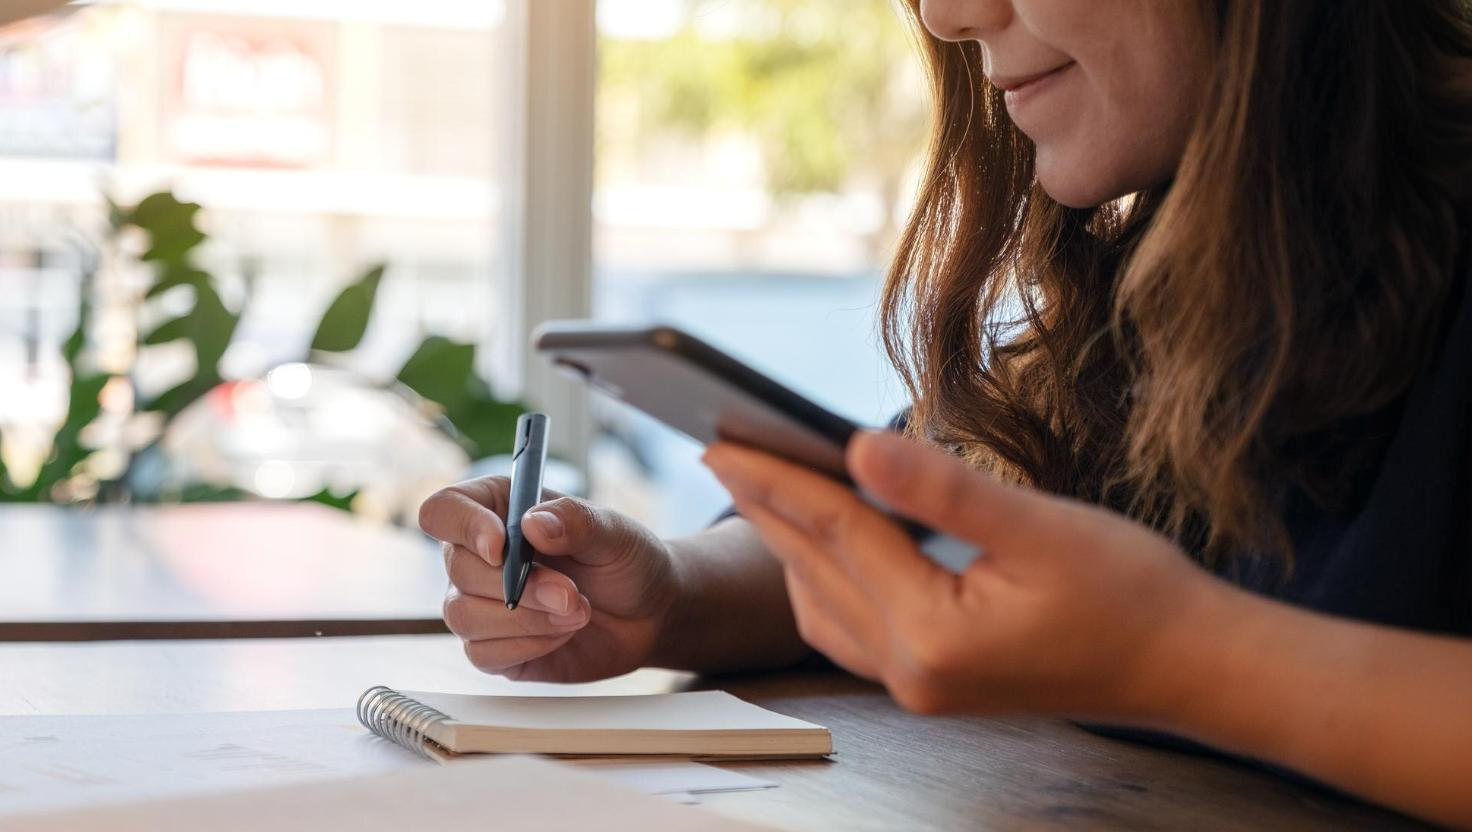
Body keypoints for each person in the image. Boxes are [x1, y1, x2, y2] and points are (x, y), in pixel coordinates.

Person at [419, 0, 1472, 826]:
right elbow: (941, 531)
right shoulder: (1167, 283)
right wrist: (665, 593)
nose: (945, 15)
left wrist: (1183, 663)